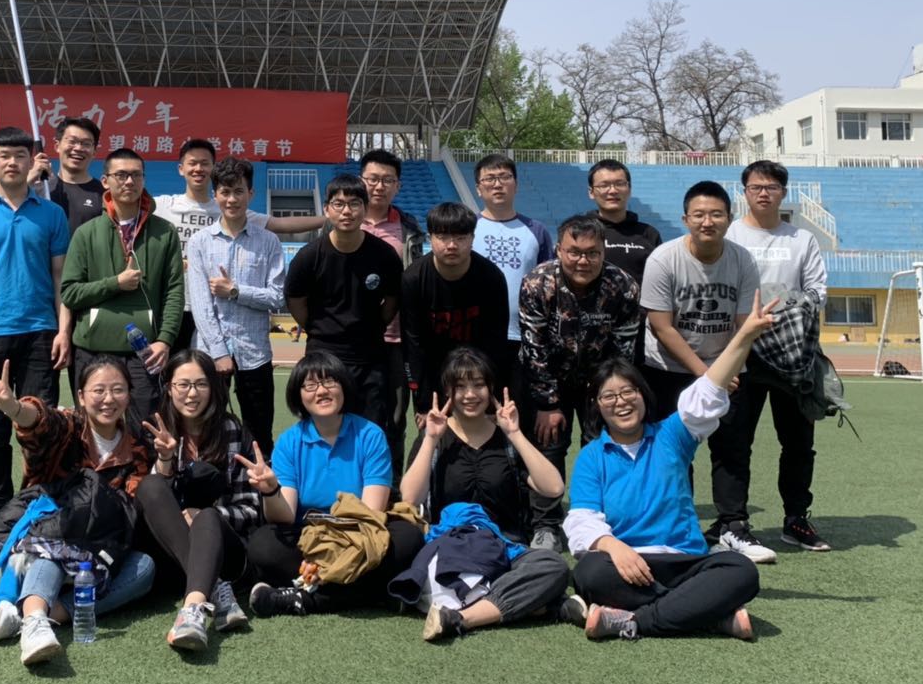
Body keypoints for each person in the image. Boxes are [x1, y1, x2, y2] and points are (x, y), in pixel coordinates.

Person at [563, 294, 777, 641]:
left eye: (628, 392)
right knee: (589, 572)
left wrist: (745, 335)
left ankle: (633, 621)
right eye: (609, 396)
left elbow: (707, 392)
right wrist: (615, 548)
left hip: (686, 562)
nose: (621, 402)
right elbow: (581, 520)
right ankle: (708, 615)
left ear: (643, 395)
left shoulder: (672, 435)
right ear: (597, 406)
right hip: (629, 564)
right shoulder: (591, 456)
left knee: (740, 570)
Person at [0, 355, 156, 666]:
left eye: (118, 390)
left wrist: (164, 463)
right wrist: (13, 408)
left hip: (97, 553)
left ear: (129, 395)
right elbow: (40, 422)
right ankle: (35, 621)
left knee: (144, 567)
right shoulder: (69, 427)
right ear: (81, 396)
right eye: (99, 390)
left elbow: (131, 509)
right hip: (48, 535)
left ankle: (36, 612)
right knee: (60, 546)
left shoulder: (138, 447)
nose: (108, 399)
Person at [399, 347, 575, 641]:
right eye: (460, 386)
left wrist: (515, 433)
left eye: (478, 385)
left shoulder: (506, 439)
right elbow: (409, 499)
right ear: (448, 392)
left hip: (505, 550)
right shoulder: (435, 438)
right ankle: (540, 605)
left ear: (491, 388)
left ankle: (461, 617)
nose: (470, 395)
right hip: (450, 550)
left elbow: (553, 488)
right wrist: (430, 438)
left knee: (553, 567)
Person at [0, 126, 72, 541]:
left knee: (41, 428)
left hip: (40, 333)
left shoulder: (52, 214)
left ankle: (41, 509)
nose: (12, 162)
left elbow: (61, 279)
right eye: (4, 155)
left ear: (31, 162)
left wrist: (63, 330)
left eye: (20, 155)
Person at [239, 351, 423, 616]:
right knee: (263, 545)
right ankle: (373, 592)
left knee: (408, 538)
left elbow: (370, 513)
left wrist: (327, 559)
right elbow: (285, 516)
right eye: (310, 385)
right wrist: (271, 491)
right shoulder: (289, 442)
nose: (321, 391)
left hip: (359, 533)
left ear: (344, 387)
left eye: (329, 382)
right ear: (298, 395)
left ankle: (306, 598)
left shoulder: (370, 435)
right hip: (309, 536)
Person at [639, 181, 766, 562]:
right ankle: (681, 525)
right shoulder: (663, 259)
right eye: (699, 214)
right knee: (674, 450)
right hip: (671, 368)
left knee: (732, 449)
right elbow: (662, 327)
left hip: (728, 365)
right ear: (685, 219)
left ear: (729, 218)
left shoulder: (742, 260)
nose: (707, 221)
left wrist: (725, 370)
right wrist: (706, 376)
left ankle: (732, 525)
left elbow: (745, 324)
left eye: (716, 214)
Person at [718, 160, 832, 553]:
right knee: (734, 441)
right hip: (741, 353)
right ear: (744, 192)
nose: (763, 193)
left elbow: (817, 291)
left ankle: (796, 519)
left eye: (771, 187)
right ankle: (733, 521)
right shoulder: (730, 234)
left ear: (784, 192)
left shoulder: (802, 239)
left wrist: (784, 315)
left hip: (792, 356)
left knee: (798, 443)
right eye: (756, 187)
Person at [520, 215, 641, 551]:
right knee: (548, 445)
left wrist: (607, 399)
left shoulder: (624, 286)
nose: (582, 261)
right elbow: (533, 347)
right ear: (559, 250)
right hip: (549, 378)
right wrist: (548, 404)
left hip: (600, 383)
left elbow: (623, 351)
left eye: (592, 253)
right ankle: (546, 524)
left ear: (603, 252)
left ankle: (600, 519)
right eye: (574, 252)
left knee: (602, 448)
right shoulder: (537, 283)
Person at [135, 350, 259, 652]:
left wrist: (204, 515)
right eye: (183, 385)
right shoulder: (154, 429)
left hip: (223, 553)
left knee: (207, 517)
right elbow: (147, 503)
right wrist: (165, 459)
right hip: (170, 553)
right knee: (151, 485)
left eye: (201, 384)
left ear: (213, 387)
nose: (192, 394)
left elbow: (251, 509)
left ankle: (192, 610)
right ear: (169, 388)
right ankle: (213, 587)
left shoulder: (231, 430)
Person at [153, 137, 320, 351]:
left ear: (213, 168)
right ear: (180, 168)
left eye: (205, 163)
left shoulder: (230, 207)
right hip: (176, 306)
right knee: (175, 370)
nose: (198, 169)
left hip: (216, 308)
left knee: (208, 368)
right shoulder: (163, 205)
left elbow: (281, 224)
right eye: (192, 163)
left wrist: (331, 219)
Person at [61, 148, 183, 424]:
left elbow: (174, 291)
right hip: (93, 350)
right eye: (121, 175)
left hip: (145, 352)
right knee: (92, 429)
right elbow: (69, 292)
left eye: (136, 175)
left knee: (146, 428)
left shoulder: (164, 232)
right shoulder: (86, 233)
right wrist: (115, 283)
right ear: (105, 181)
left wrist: (165, 340)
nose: (129, 181)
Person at [186, 157, 288, 455]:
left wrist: (235, 291)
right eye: (225, 192)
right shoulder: (200, 242)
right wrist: (219, 352)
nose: (232, 199)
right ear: (215, 194)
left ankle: (259, 484)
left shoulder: (269, 242)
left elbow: (277, 297)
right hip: (209, 352)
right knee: (206, 431)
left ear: (250, 194)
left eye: (239, 191)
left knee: (259, 435)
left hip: (255, 352)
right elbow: (201, 304)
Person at [284, 175, 402, 428]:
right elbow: (295, 301)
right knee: (323, 428)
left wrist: (374, 327)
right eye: (338, 204)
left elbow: (392, 300)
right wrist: (318, 328)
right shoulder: (308, 257)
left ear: (365, 208)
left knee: (370, 430)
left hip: (370, 356)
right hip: (323, 354)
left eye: (354, 203)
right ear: (327, 209)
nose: (346, 211)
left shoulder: (384, 255)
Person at [401, 202, 509, 414]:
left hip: (476, 370)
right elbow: (414, 342)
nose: (451, 245)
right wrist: (423, 401)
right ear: (430, 238)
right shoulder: (413, 279)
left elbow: (496, 341)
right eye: (443, 237)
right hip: (433, 370)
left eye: (460, 238)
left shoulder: (491, 277)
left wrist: (490, 391)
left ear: (472, 238)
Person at [355, 149, 425, 472]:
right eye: (372, 179)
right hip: (353, 338)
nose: (378, 186)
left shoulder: (409, 228)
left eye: (387, 180)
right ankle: (355, 482)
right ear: (361, 181)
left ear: (398, 186)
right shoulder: (341, 222)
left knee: (395, 418)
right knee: (353, 413)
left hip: (397, 338)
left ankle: (393, 485)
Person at [471, 154, 554, 396]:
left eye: (504, 177)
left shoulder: (537, 231)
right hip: (476, 334)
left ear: (516, 185)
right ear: (478, 188)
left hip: (524, 335)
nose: (497, 184)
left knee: (521, 407)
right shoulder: (467, 228)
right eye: (490, 179)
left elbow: (547, 285)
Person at [586, 160, 663, 284]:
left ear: (629, 189)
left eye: (620, 184)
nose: (612, 191)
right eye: (604, 185)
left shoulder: (649, 234)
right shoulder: (581, 232)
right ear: (591, 192)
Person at [40, 117, 106, 234]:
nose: (78, 148)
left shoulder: (104, 194)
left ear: (94, 152)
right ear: (57, 146)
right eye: (72, 141)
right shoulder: (42, 190)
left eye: (86, 144)